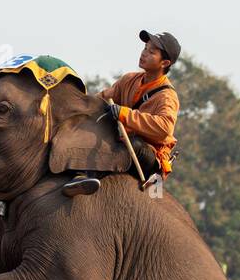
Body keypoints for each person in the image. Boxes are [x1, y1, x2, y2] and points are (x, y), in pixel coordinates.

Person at [64, 29, 181, 196]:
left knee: (134, 144)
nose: (144, 53)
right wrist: (77, 105)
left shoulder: (167, 96)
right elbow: (102, 99)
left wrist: (123, 114)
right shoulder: (129, 80)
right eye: (145, 48)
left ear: (165, 63)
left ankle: (90, 177)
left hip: (149, 158)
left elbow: (164, 128)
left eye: (151, 52)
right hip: (122, 141)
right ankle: (74, 170)